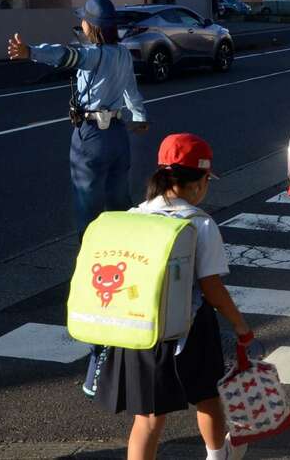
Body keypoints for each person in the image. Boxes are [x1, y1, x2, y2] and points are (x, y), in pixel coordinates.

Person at [95, 133, 262, 460]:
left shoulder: (134, 215)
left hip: (140, 330)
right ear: (199, 182)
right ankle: (217, 456)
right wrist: (241, 326)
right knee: (207, 398)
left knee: (148, 417)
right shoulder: (200, 223)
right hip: (191, 329)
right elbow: (212, 287)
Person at [7, 0, 148, 242]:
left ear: (91, 25)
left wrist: (30, 52)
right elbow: (131, 91)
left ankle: (91, 260)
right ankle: (126, 254)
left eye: (83, 19)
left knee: (89, 206)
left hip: (91, 136)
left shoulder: (92, 55)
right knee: (119, 200)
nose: (81, 22)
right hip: (118, 134)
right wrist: (138, 116)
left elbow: (64, 55)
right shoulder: (123, 54)